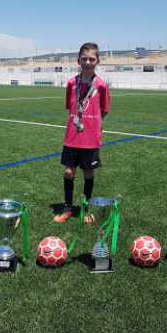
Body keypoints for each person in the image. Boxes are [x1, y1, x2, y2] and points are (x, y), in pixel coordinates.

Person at [53, 42, 110, 222]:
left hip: (91, 138)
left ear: (97, 61)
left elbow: (105, 109)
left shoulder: (101, 85)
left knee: (88, 173)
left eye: (91, 59)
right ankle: (68, 207)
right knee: (69, 172)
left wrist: (92, 124)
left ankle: (86, 209)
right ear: (78, 60)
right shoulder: (71, 83)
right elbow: (70, 107)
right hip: (72, 137)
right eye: (84, 59)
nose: (87, 62)